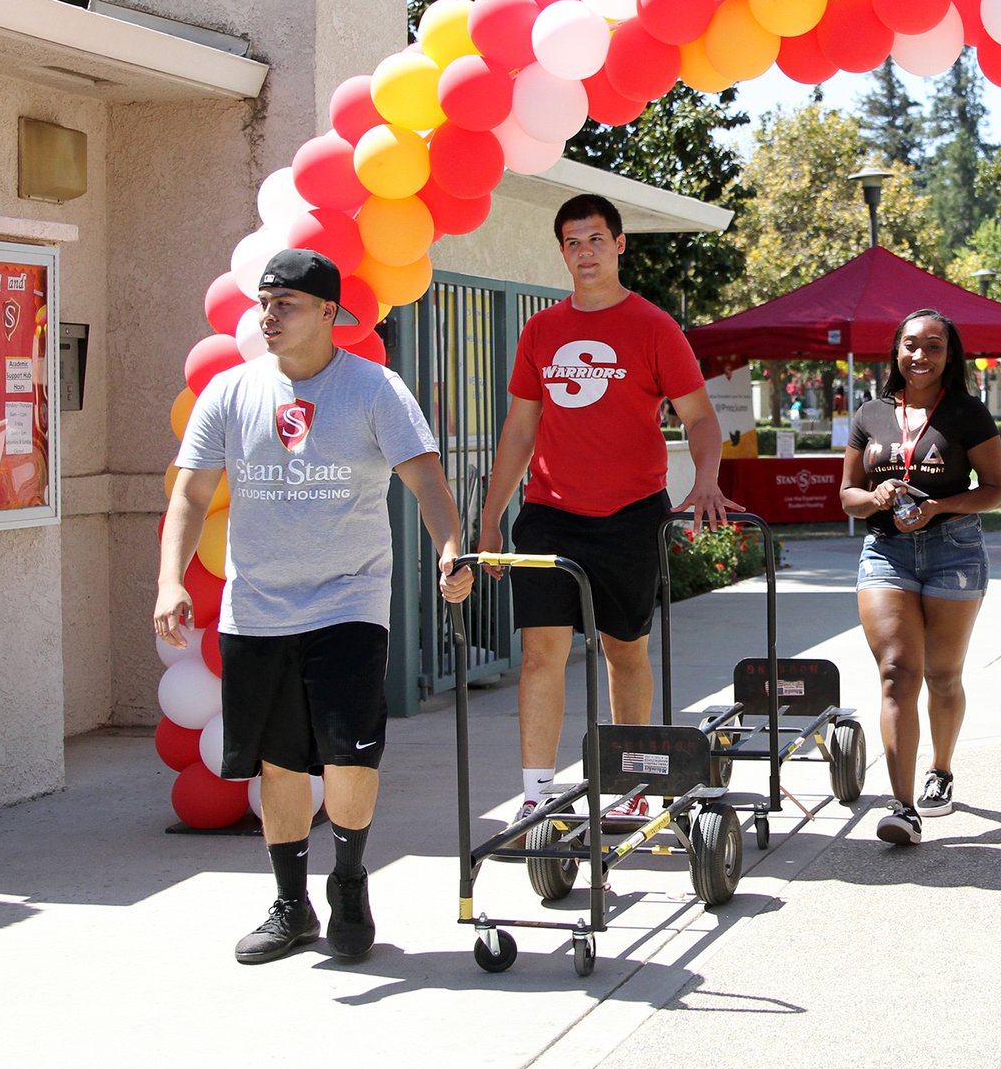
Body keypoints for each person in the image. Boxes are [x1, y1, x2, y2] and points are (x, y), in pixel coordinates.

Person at [155, 248, 475, 965]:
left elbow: (425, 479)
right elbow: (191, 494)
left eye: (286, 304)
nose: (268, 315)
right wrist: (170, 580)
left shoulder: (374, 389)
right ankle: (292, 904)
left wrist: (450, 547)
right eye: (263, 302)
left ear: (330, 313)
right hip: (257, 609)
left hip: (348, 601)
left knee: (349, 759)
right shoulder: (230, 393)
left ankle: (351, 882)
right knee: (278, 764)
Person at [477, 194, 735, 831]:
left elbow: (701, 418)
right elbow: (518, 430)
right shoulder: (541, 331)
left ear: (619, 244)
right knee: (541, 655)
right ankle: (536, 793)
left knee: (625, 652)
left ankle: (636, 782)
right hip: (549, 513)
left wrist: (706, 481)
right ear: (561, 251)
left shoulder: (653, 327)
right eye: (572, 242)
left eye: (595, 239)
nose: (583, 252)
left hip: (628, 515)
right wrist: (489, 517)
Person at [840, 309, 1001, 846]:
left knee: (942, 675)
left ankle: (941, 770)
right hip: (885, 551)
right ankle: (902, 805)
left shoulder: (967, 412)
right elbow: (848, 495)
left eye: (934, 346)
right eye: (911, 344)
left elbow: (997, 489)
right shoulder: (870, 414)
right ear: (895, 351)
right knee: (896, 674)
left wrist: (938, 508)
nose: (920, 355)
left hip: (953, 550)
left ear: (949, 356)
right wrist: (876, 497)